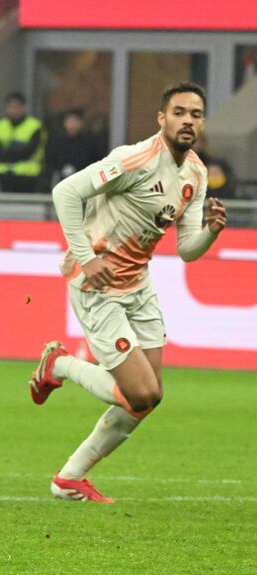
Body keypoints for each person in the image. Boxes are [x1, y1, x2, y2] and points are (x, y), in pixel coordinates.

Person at [30, 81, 227, 502]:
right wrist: (86, 258)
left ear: (203, 122)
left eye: (195, 114)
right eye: (179, 112)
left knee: (147, 399)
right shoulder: (133, 159)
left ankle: (69, 478)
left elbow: (187, 250)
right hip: (96, 286)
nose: (187, 120)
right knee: (141, 392)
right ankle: (60, 364)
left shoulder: (195, 172)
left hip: (138, 285)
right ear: (162, 118)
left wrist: (210, 232)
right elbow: (65, 193)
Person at [0, 92, 46, 193]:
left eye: (17, 106)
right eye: (10, 106)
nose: (14, 110)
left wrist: (8, 152)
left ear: (23, 107)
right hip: (4, 176)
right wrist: (16, 151)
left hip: (28, 176)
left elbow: (30, 151)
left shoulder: (34, 126)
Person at [45, 108, 100, 187]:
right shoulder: (57, 141)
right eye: (70, 121)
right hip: (61, 180)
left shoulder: (89, 142)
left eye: (75, 121)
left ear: (81, 123)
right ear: (65, 123)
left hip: (83, 180)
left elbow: (94, 159)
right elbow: (50, 160)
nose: (72, 124)